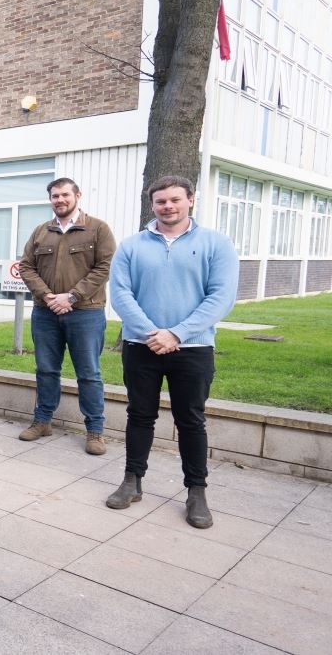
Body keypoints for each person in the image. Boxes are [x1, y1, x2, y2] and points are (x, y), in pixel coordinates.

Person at [106, 176, 238, 529]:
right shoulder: (132, 246)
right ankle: (132, 481)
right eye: (161, 201)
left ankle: (197, 491)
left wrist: (176, 333)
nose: (168, 206)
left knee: (191, 421)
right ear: (153, 205)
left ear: (190, 200)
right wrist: (154, 333)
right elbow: (120, 294)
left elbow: (220, 297)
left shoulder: (216, 244)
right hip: (142, 346)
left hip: (193, 349)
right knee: (139, 415)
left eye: (175, 200)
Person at [17, 178, 117, 455]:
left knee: (89, 373)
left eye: (64, 195)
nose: (59, 200)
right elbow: (26, 267)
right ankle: (43, 421)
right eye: (54, 196)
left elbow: (105, 267)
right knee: (46, 369)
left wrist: (72, 296)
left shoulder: (98, 229)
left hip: (85, 312)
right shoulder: (41, 231)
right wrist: (48, 296)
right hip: (45, 313)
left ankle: (95, 430)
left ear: (77, 196)